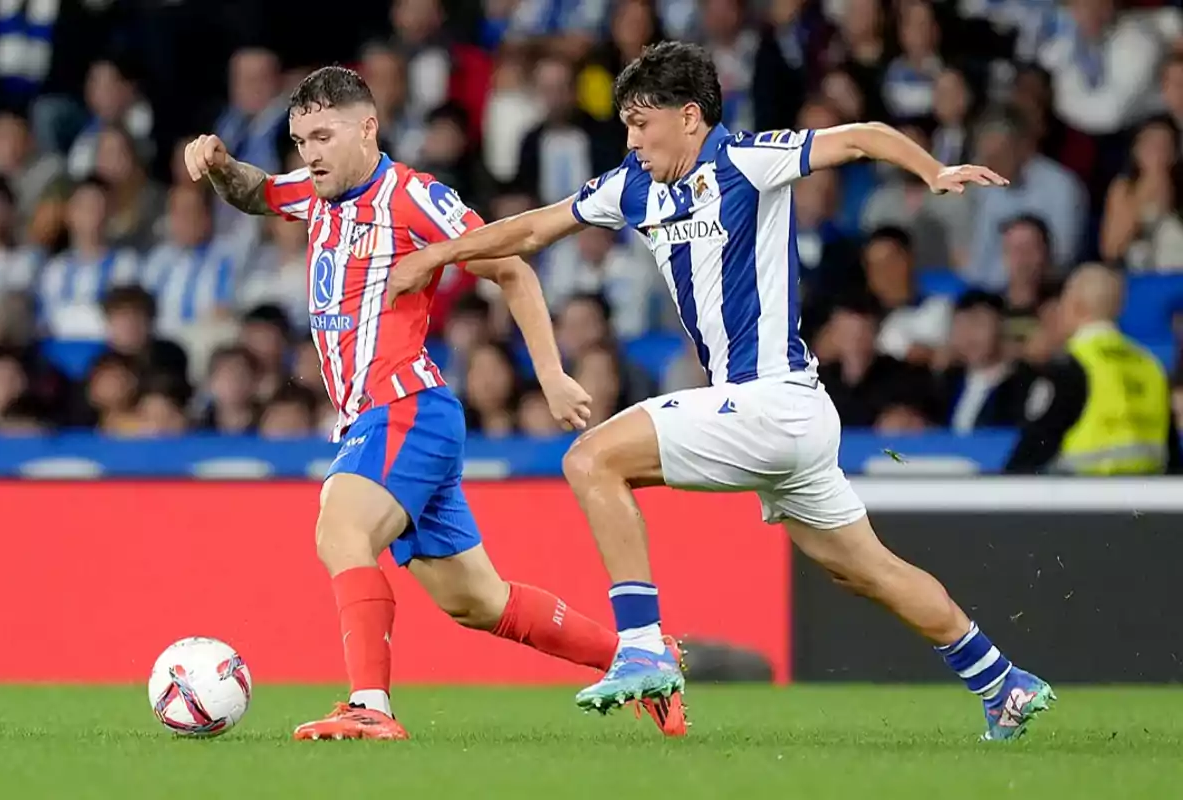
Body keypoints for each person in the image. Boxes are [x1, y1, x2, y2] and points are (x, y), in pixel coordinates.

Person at [388, 41, 1054, 742]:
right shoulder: (632, 186)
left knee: (591, 460)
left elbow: (862, 137)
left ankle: (641, 645)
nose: (632, 139)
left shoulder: (745, 159)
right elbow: (530, 228)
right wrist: (438, 253)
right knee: (868, 572)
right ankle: (1001, 680)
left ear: (691, 115)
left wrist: (932, 169)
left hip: (773, 400)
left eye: (643, 123)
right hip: (781, 417)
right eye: (626, 124)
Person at [182, 66, 673, 743]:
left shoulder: (414, 197)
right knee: (478, 601)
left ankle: (369, 705)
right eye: (300, 141)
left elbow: (511, 266)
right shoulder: (313, 192)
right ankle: (646, 663)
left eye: (324, 136)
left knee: (340, 529)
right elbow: (257, 193)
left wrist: (553, 374)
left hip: (405, 404)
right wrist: (217, 163)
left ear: (367, 127)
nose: (312, 154)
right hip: (383, 417)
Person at [1005, 264, 1182, 475]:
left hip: (1085, 499)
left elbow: (1032, 451)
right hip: (1148, 501)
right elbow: (1172, 454)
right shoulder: (1152, 366)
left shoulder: (1069, 368)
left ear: (1077, 307)